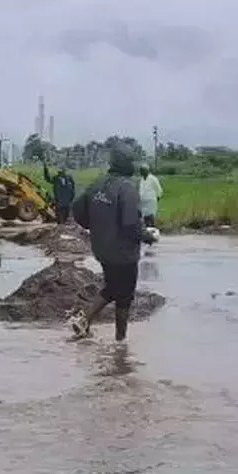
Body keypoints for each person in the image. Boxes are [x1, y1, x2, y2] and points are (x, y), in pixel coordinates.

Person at [67, 144, 158, 342]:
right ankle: (120, 342)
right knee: (124, 295)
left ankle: (85, 321)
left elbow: (77, 209)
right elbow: (131, 226)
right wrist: (148, 236)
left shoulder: (97, 184)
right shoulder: (127, 188)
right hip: (123, 253)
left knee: (112, 287)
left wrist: (95, 227)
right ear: (126, 164)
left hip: (101, 248)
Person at [138, 163, 163, 228]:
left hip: (151, 202)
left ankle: (153, 231)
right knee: (145, 218)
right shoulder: (142, 179)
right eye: (140, 170)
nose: (141, 172)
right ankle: (147, 233)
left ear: (147, 170)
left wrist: (158, 198)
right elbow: (141, 190)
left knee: (151, 217)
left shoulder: (153, 178)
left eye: (142, 170)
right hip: (143, 203)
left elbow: (159, 190)